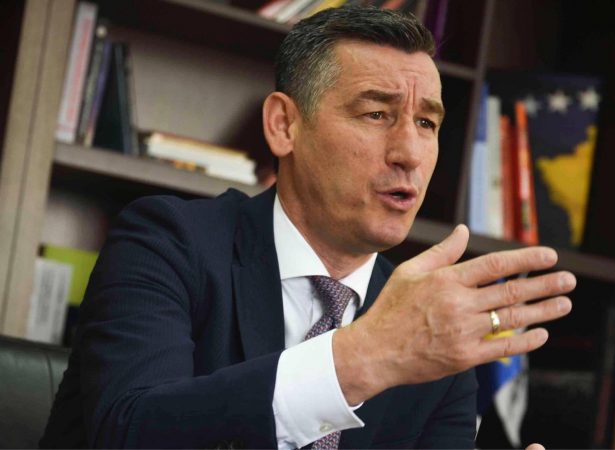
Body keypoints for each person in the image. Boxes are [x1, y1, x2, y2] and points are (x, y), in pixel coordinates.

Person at [40, 6, 575, 449]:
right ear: (284, 125)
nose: (410, 153)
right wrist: (359, 358)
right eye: (376, 114)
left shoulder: (433, 328)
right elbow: (129, 431)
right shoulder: (166, 241)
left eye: (426, 123)